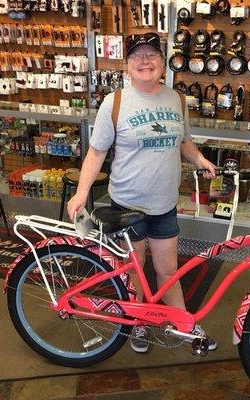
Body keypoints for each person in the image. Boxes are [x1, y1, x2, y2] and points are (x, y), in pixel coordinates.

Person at [67, 32, 217, 353]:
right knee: (135, 273)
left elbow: (184, 141)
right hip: (127, 206)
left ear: (163, 63)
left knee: (167, 270)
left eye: (151, 55)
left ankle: (182, 322)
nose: (144, 61)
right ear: (126, 65)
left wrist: (200, 159)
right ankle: (138, 323)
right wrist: (81, 193)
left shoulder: (176, 99)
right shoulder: (115, 102)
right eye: (137, 56)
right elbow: (96, 153)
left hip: (164, 205)